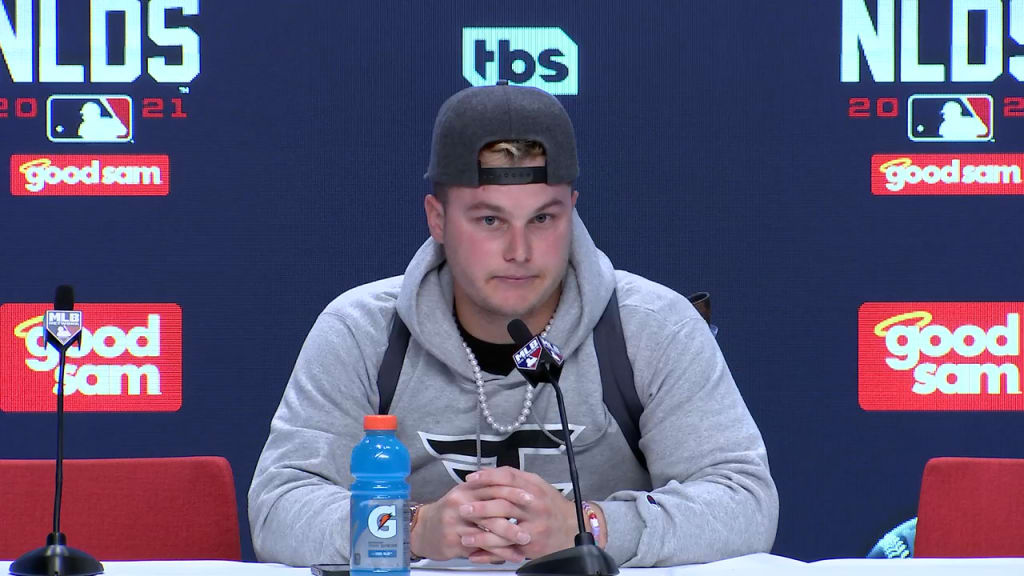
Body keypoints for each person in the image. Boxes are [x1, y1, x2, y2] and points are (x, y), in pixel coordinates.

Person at [248, 83, 778, 567]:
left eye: (542, 219)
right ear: (437, 218)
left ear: (571, 210)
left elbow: (745, 502)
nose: (520, 252)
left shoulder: (652, 327)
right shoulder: (361, 330)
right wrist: (413, 528)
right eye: (489, 220)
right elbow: (278, 507)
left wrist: (589, 526)